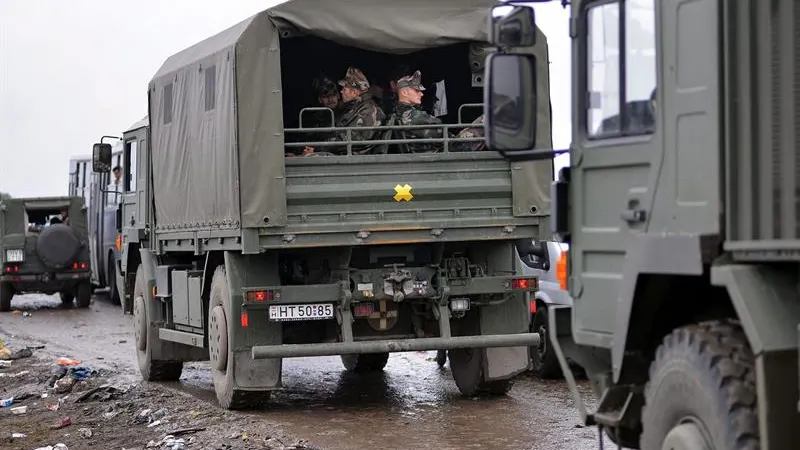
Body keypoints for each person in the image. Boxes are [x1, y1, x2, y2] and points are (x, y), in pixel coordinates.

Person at [303, 67, 385, 156]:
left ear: (354, 92)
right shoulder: (357, 108)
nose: (341, 92)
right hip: (346, 154)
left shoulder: (368, 110)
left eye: (344, 89)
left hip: (355, 157)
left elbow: (352, 139)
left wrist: (319, 148)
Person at [391, 70, 445, 153]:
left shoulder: (396, 111)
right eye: (417, 91)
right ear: (405, 93)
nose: (421, 94)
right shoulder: (414, 116)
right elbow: (440, 130)